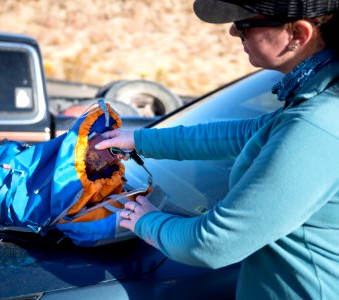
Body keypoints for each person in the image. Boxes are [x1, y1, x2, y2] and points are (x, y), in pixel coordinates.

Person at [95, 1, 339, 299]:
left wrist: (146, 221)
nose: (233, 31)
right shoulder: (314, 101)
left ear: (299, 34)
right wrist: (140, 140)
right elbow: (241, 134)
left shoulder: (317, 123)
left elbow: (213, 244)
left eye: (245, 24)